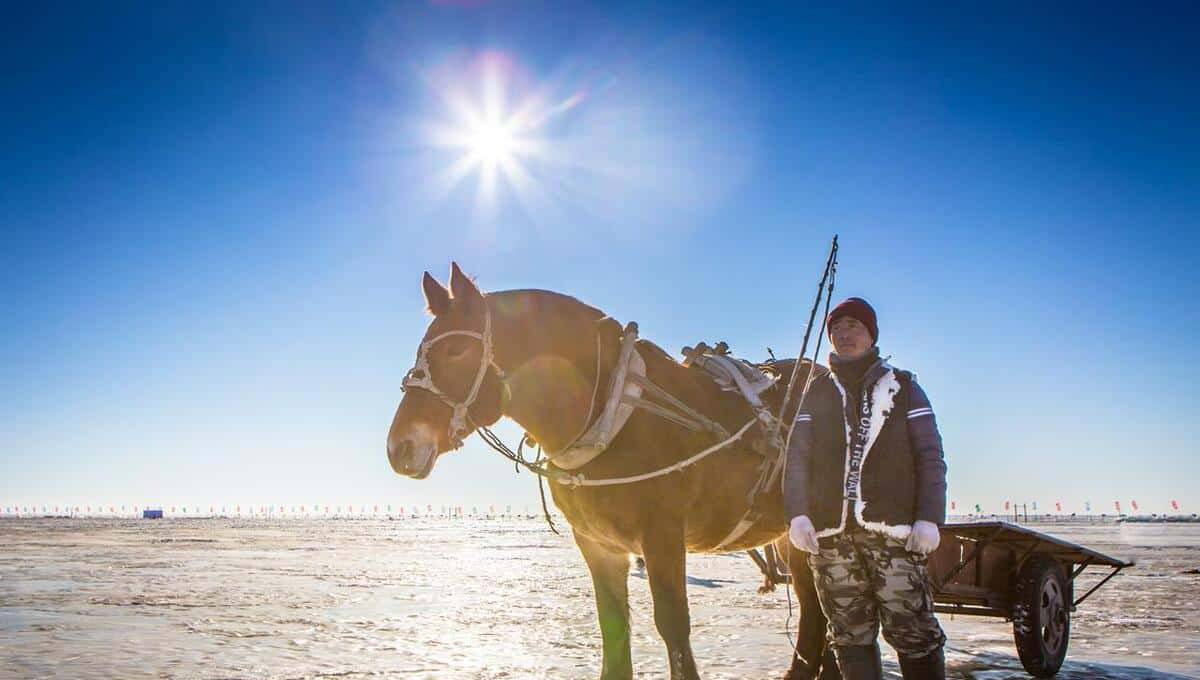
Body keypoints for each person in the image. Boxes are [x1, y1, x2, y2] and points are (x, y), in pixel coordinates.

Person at [784, 297, 948, 680]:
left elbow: (930, 456)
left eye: (853, 326)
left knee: (913, 632)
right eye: (837, 328)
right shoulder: (816, 392)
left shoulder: (904, 387)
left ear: (871, 334)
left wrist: (928, 518)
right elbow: (797, 459)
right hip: (832, 537)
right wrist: (797, 514)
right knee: (848, 635)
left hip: (893, 536)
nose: (844, 334)